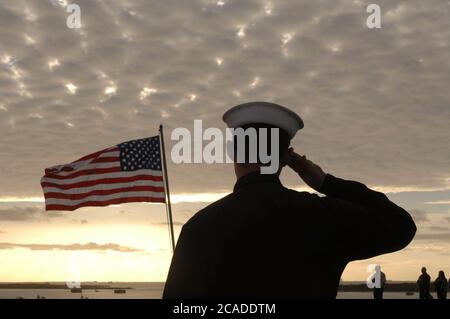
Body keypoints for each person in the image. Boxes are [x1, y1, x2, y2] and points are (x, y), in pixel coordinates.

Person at [163, 101, 417, 298]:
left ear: (232, 151)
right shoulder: (324, 217)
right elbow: (401, 225)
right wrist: (325, 182)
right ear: (285, 157)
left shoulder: (200, 227)